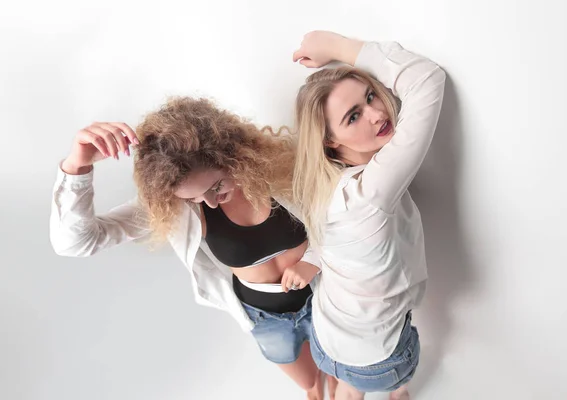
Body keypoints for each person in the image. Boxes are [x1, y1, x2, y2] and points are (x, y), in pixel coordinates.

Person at [50, 97, 326, 399]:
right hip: (263, 318)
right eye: (194, 198)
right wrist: (77, 165)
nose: (209, 202)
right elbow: (75, 243)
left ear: (231, 156)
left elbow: (346, 222)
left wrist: (314, 258)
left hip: (327, 297)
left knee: (341, 374)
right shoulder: (179, 209)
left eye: (216, 186)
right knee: (311, 385)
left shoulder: (281, 169)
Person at [291, 31, 446, 400]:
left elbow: (331, 242)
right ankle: (398, 392)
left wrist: (312, 259)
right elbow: (428, 79)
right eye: (354, 116)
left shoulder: (322, 184)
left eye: (371, 95)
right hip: (380, 356)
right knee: (391, 383)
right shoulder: (371, 190)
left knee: (348, 388)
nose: (378, 114)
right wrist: (338, 47)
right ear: (330, 139)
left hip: (327, 340)